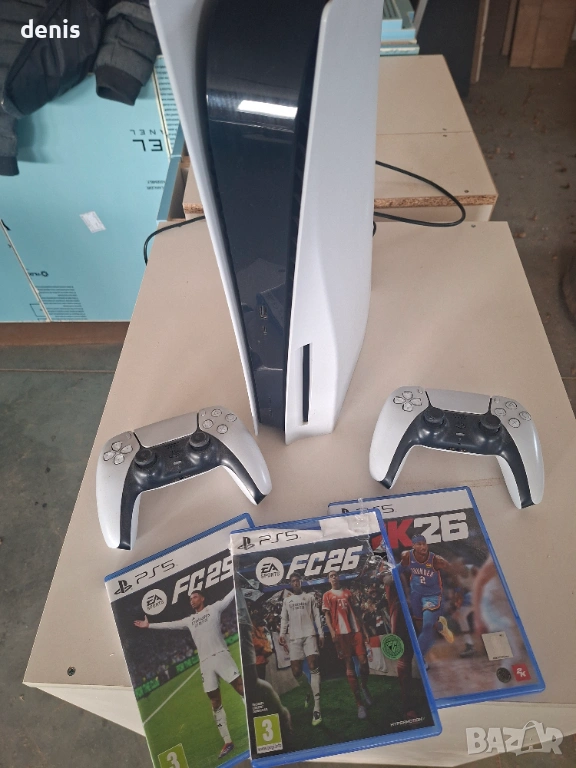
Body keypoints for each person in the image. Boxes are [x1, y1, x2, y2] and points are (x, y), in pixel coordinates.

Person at [134, 589, 242, 759]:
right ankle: (227, 741)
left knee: (241, 688)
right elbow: (170, 624)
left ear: (202, 598)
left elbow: (228, 597)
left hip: (221, 655)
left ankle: (254, 717)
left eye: (195, 597)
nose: (192, 600)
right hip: (205, 663)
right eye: (190, 599)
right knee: (214, 701)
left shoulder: (214, 608)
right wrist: (150, 625)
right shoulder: (189, 620)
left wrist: (237, 579)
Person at [322, 571, 371, 719]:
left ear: (339, 577)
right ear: (329, 580)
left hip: (355, 630)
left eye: (335, 575)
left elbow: (357, 612)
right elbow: (327, 615)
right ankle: (359, 704)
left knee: (363, 662)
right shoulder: (327, 595)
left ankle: (364, 686)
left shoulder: (348, 592)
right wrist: (332, 632)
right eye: (331, 576)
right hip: (341, 633)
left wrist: (364, 630)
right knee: (349, 664)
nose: (334, 577)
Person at [279, 574, 324, 726]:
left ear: (301, 582)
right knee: (296, 672)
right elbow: (284, 619)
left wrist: (321, 633)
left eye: (297, 580)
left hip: (309, 634)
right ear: (290, 584)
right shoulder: (287, 601)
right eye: (293, 581)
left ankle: (317, 708)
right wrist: (282, 634)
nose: (296, 583)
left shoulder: (309, 597)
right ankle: (307, 691)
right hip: (294, 638)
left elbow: (317, 616)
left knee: (313, 666)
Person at [400, 535, 454, 660]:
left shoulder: (436, 560)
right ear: (413, 546)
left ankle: (419, 658)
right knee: (422, 625)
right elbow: (399, 569)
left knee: (427, 625)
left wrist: (456, 590)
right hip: (416, 595)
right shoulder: (408, 556)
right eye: (419, 544)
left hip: (432, 595)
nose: (423, 546)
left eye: (424, 544)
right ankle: (440, 626)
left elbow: (452, 570)